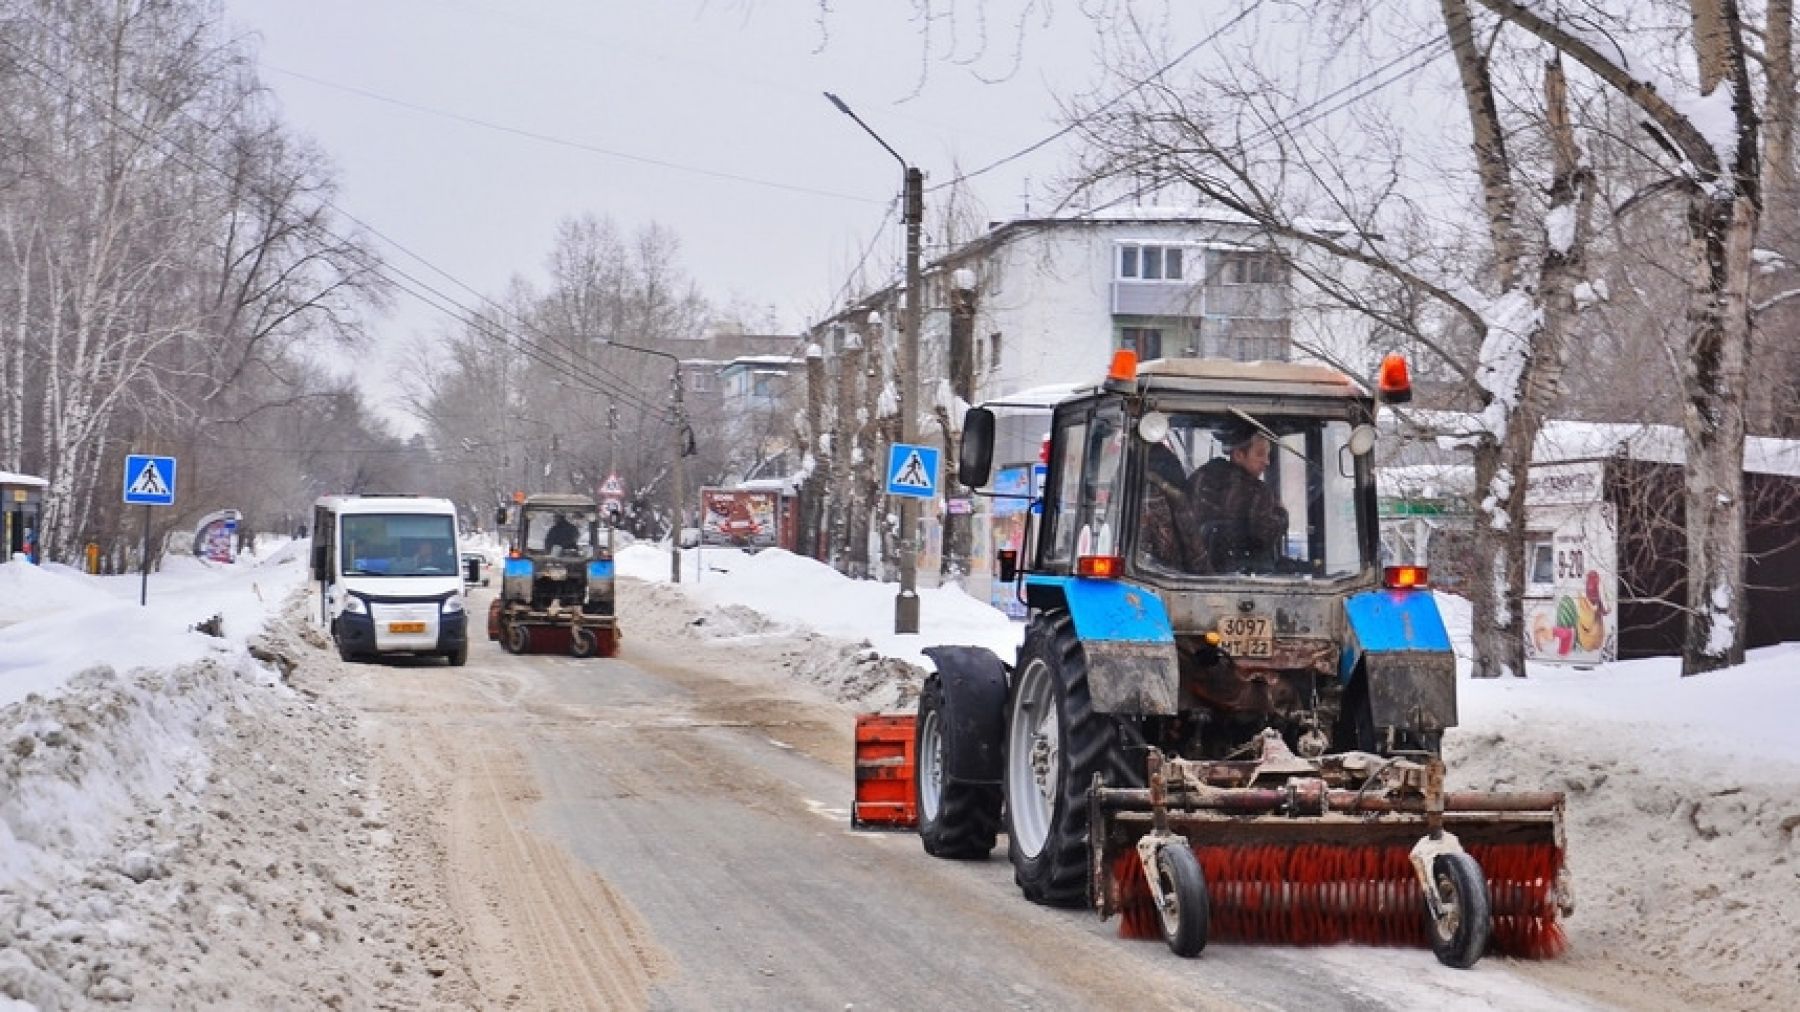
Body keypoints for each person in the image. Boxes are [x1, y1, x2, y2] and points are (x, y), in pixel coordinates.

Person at [1186, 421, 1289, 571]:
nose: (1266, 462)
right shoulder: (1258, 493)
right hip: (1247, 575)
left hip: (1195, 572)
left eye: (1268, 455)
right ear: (1239, 455)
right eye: (1260, 454)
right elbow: (1266, 535)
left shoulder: (1197, 480)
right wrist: (1282, 514)